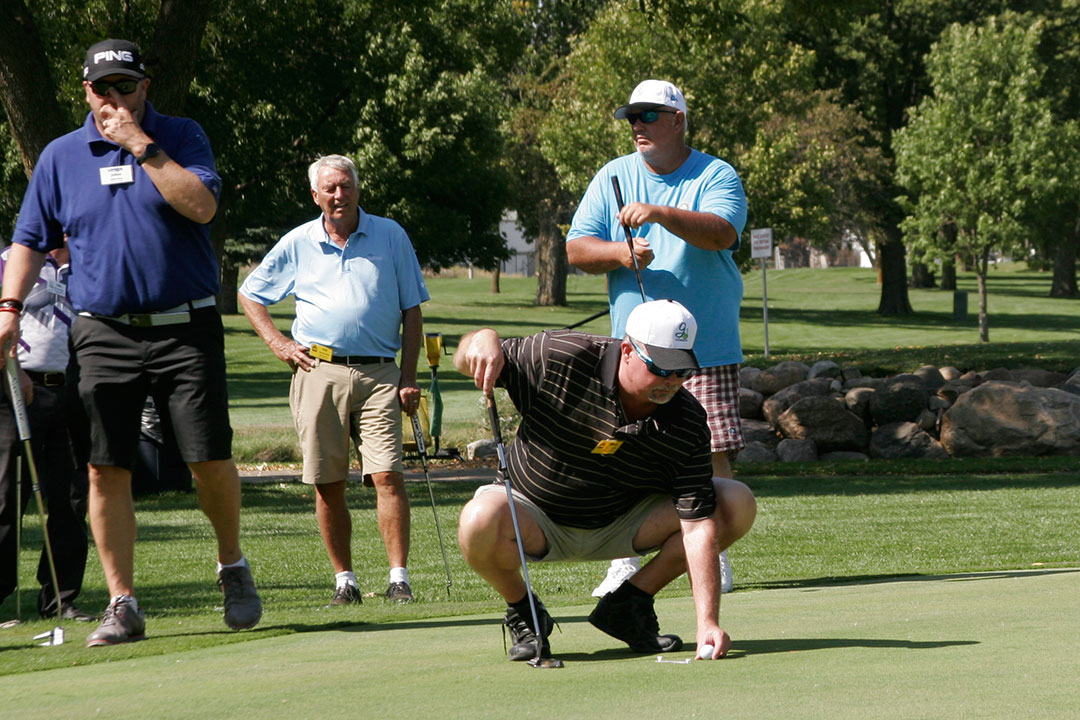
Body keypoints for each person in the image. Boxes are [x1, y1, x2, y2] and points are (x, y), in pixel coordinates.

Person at [0, 39, 262, 646]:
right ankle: (123, 602)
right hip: (102, 330)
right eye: (102, 88)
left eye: (125, 86)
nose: (114, 98)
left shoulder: (182, 135)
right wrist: (9, 308)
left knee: (208, 459)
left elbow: (201, 207)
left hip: (185, 326)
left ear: (146, 87)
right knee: (105, 466)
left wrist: (142, 148)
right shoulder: (61, 156)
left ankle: (232, 564)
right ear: (85, 91)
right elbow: (29, 238)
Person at [453, 300, 756, 661]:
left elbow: (697, 527)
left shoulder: (686, 419)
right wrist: (483, 338)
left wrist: (707, 621)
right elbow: (465, 356)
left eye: (682, 372)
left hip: (623, 521)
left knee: (735, 503)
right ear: (627, 350)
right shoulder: (561, 356)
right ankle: (525, 611)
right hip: (535, 517)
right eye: (661, 368)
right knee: (477, 520)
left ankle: (628, 605)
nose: (672, 382)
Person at [565, 79, 748, 597]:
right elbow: (577, 249)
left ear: (677, 120)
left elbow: (722, 233)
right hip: (635, 352)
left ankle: (711, 552)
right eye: (632, 118)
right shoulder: (613, 176)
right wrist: (619, 255)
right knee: (626, 452)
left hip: (703, 344)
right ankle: (624, 559)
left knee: (709, 451)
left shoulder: (715, 173)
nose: (638, 126)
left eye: (648, 115)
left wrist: (661, 213)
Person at [239, 154, 428, 605]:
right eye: (330, 189)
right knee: (328, 481)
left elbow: (412, 310)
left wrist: (408, 375)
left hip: (381, 372)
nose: (338, 195)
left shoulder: (390, 235)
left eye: (345, 186)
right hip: (317, 371)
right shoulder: (299, 241)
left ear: (357, 188)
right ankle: (345, 581)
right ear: (315, 195)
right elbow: (251, 294)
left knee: (387, 476)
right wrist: (280, 345)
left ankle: (398, 578)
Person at [0, 242, 94, 623]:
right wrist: (13, 368)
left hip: (74, 388)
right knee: (5, 494)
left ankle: (61, 597)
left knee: (71, 497)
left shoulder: (92, 263)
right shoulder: (10, 260)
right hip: (13, 386)